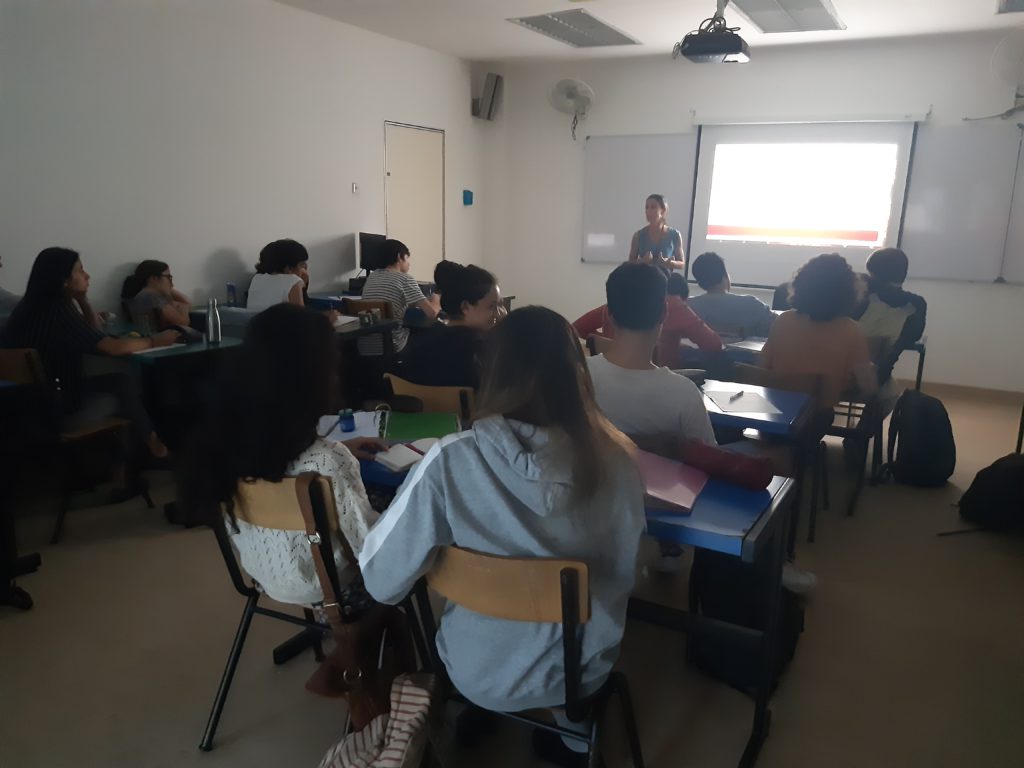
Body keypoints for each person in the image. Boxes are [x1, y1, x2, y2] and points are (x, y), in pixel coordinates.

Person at [359, 306, 644, 764]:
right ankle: (573, 737)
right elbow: (626, 572)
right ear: (579, 373)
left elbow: (380, 580)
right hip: (580, 672)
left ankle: (482, 707)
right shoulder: (621, 464)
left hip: (474, 668)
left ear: (488, 372)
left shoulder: (449, 461)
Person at [181, 303, 386, 605]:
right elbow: (370, 552)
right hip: (330, 584)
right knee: (391, 506)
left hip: (262, 574)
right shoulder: (327, 459)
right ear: (314, 377)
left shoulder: (220, 440)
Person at [1, 247, 179, 461]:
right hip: (61, 413)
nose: (87, 276)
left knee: (119, 382)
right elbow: (112, 347)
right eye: (80, 271)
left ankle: (145, 454)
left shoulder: (31, 308)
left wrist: (83, 300)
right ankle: (150, 454)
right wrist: (155, 341)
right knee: (124, 388)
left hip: (32, 408)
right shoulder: (57, 314)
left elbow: (93, 334)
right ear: (63, 280)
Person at [761, 254, 877, 407]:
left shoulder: (783, 320)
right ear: (848, 291)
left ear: (801, 284)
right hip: (817, 416)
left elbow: (761, 368)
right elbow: (867, 387)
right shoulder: (852, 331)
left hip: (773, 409)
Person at [573, 272, 721, 367]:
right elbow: (714, 345)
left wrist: (608, 342)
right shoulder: (675, 305)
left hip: (612, 374)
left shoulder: (616, 304)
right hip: (661, 383)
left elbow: (577, 327)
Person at [398, 263, 502, 389]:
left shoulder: (420, 342)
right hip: (470, 408)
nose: (498, 313)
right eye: (492, 306)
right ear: (465, 307)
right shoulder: (480, 351)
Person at [856, 247, 927, 386]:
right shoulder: (917, 304)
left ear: (872, 272)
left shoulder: (860, 296)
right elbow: (914, 336)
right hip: (880, 377)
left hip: (841, 373)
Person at [357, 239, 438, 356]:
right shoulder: (405, 279)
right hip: (392, 346)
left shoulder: (372, 277)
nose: (409, 263)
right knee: (432, 334)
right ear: (399, 257)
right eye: (407, 258)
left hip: (365, 347)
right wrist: (436, 300)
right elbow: (432, 313)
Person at [687, 252, 776, 338]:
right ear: (724, 275)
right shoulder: (752, 304)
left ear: (699, 283)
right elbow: (780, 325)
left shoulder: (688, 306)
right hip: (742, 353)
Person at [120, 260, 192, 330]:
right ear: (154, 278)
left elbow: (187, 303)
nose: (170, 281)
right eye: (168, 277)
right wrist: (184, 308)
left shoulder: (143, 295)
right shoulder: (152, 297)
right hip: (160, 339)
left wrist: (168, 288)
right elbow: (183, 323)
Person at [246, 239, 311, 312]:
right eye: (301, 264)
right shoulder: (293, 280)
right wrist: (303, 283)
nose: (305, 268)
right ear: (288, 268)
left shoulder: (257, 278)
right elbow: (301, 316)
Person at [627, 193, 685, 275]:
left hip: (666, 283)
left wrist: (669, 263)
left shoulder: (675, 235)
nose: (648, 211)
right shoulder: (638, 235)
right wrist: (642, 261)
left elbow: (682, 264)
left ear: (663, 210)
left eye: (653, 207)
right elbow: (629, 263)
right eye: (646, 207)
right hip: (643, 282)